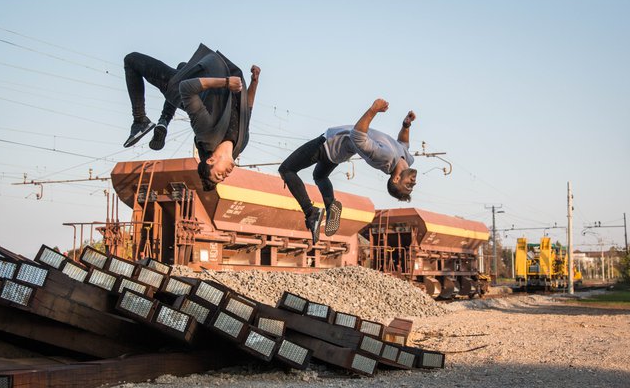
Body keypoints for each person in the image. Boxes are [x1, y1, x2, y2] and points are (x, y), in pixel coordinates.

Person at [123, 44, 261, 190]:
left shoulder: (207, 134)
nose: (225, 176)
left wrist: (226, 82)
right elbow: (247, 109)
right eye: (222, 178)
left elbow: (186, 89)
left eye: (218, 175)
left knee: (131, 60)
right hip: (203, 84)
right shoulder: (241, 144)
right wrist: (254, 82)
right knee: (183, 66)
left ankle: (140, 119)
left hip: (179, 89)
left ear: (211, 160)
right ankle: (164, 121)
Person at [278, 98, 417, 243]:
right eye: (412, 185)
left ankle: (311, 213)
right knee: (319, 176)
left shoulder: (385, 157)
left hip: (329, 144)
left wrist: (373, 110)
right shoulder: (407, 159)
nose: (413, 182)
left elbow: (357, 137)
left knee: (287, 170)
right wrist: (406, 125)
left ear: (396, 179)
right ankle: (331, 206)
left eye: (408, 185)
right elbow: (403, 143)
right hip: (338, 153)